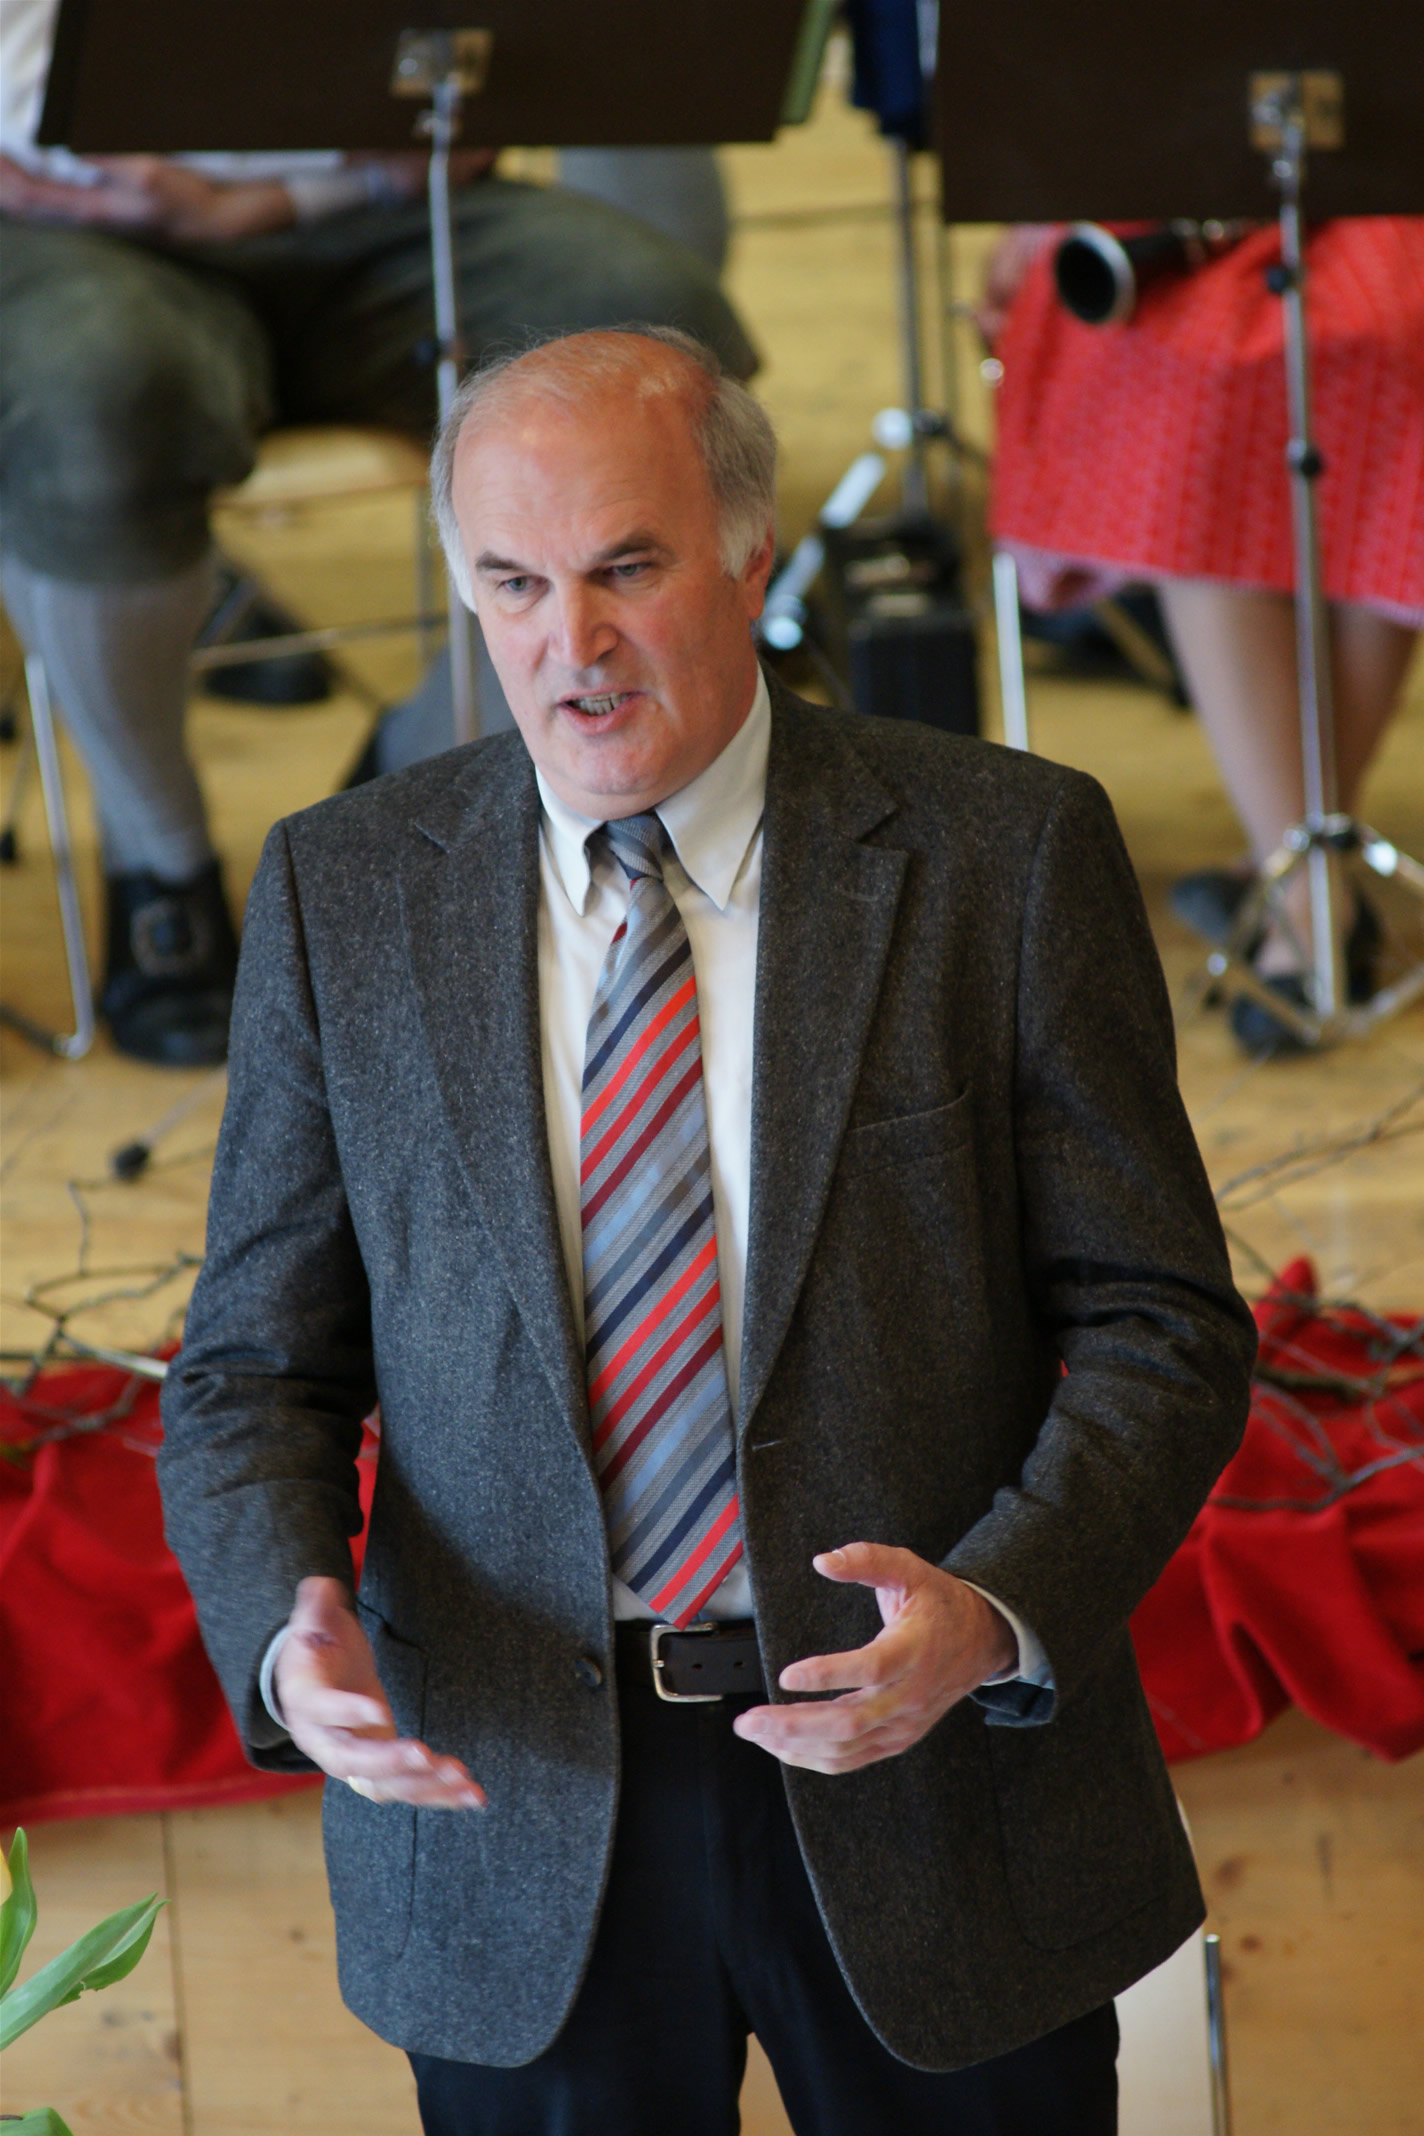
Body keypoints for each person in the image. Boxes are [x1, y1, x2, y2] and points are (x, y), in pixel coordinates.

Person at [158, 329, 1257, 2134]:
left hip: (935, 1785)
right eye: (513, 583)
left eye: (625, 569)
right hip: (515, 1810)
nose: (568, 644)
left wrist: (992, 1611)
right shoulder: (339, 891)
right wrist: (289, 1633)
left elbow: (1164, 1324)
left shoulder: (1002, 854)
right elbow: (250, 1372)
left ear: (752, 560)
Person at [0, 0, 753, 1067]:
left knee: (654, 345)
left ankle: (420, 782)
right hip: (68, 219)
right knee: (106, 394)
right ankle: (158, 863)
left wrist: (286, 194)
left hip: (369, 200)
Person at [985, 218, 1424, 1053]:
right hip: (1172, 220)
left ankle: (1302, 890)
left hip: (1374, 213)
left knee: (1392, 342)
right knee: (1192, 401)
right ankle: (1309, 872)